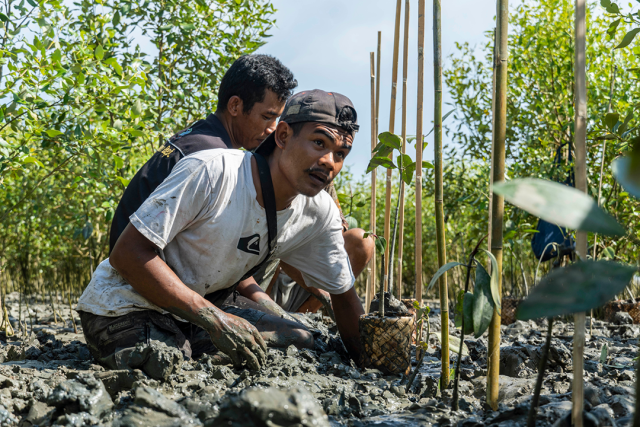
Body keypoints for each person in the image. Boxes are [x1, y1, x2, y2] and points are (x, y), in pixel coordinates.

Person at [77, 90, 365, 375]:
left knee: (300, 340)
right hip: (125, 305)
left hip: (196, 311)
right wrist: (216, 320)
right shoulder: (212, 171)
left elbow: (343, 295)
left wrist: (374, 359)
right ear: (283, 136)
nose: (330, 161)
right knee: (166, 362)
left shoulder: (319, 210)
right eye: (319, 143)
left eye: (341, 153)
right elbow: (127, 254)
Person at [108, 54, 373, 319]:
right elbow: (143, 250)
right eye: (267, 117)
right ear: (235, 106)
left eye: (340, 154)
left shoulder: (202, 137)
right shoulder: (213, 160)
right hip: (152, 280)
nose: (272, 129)